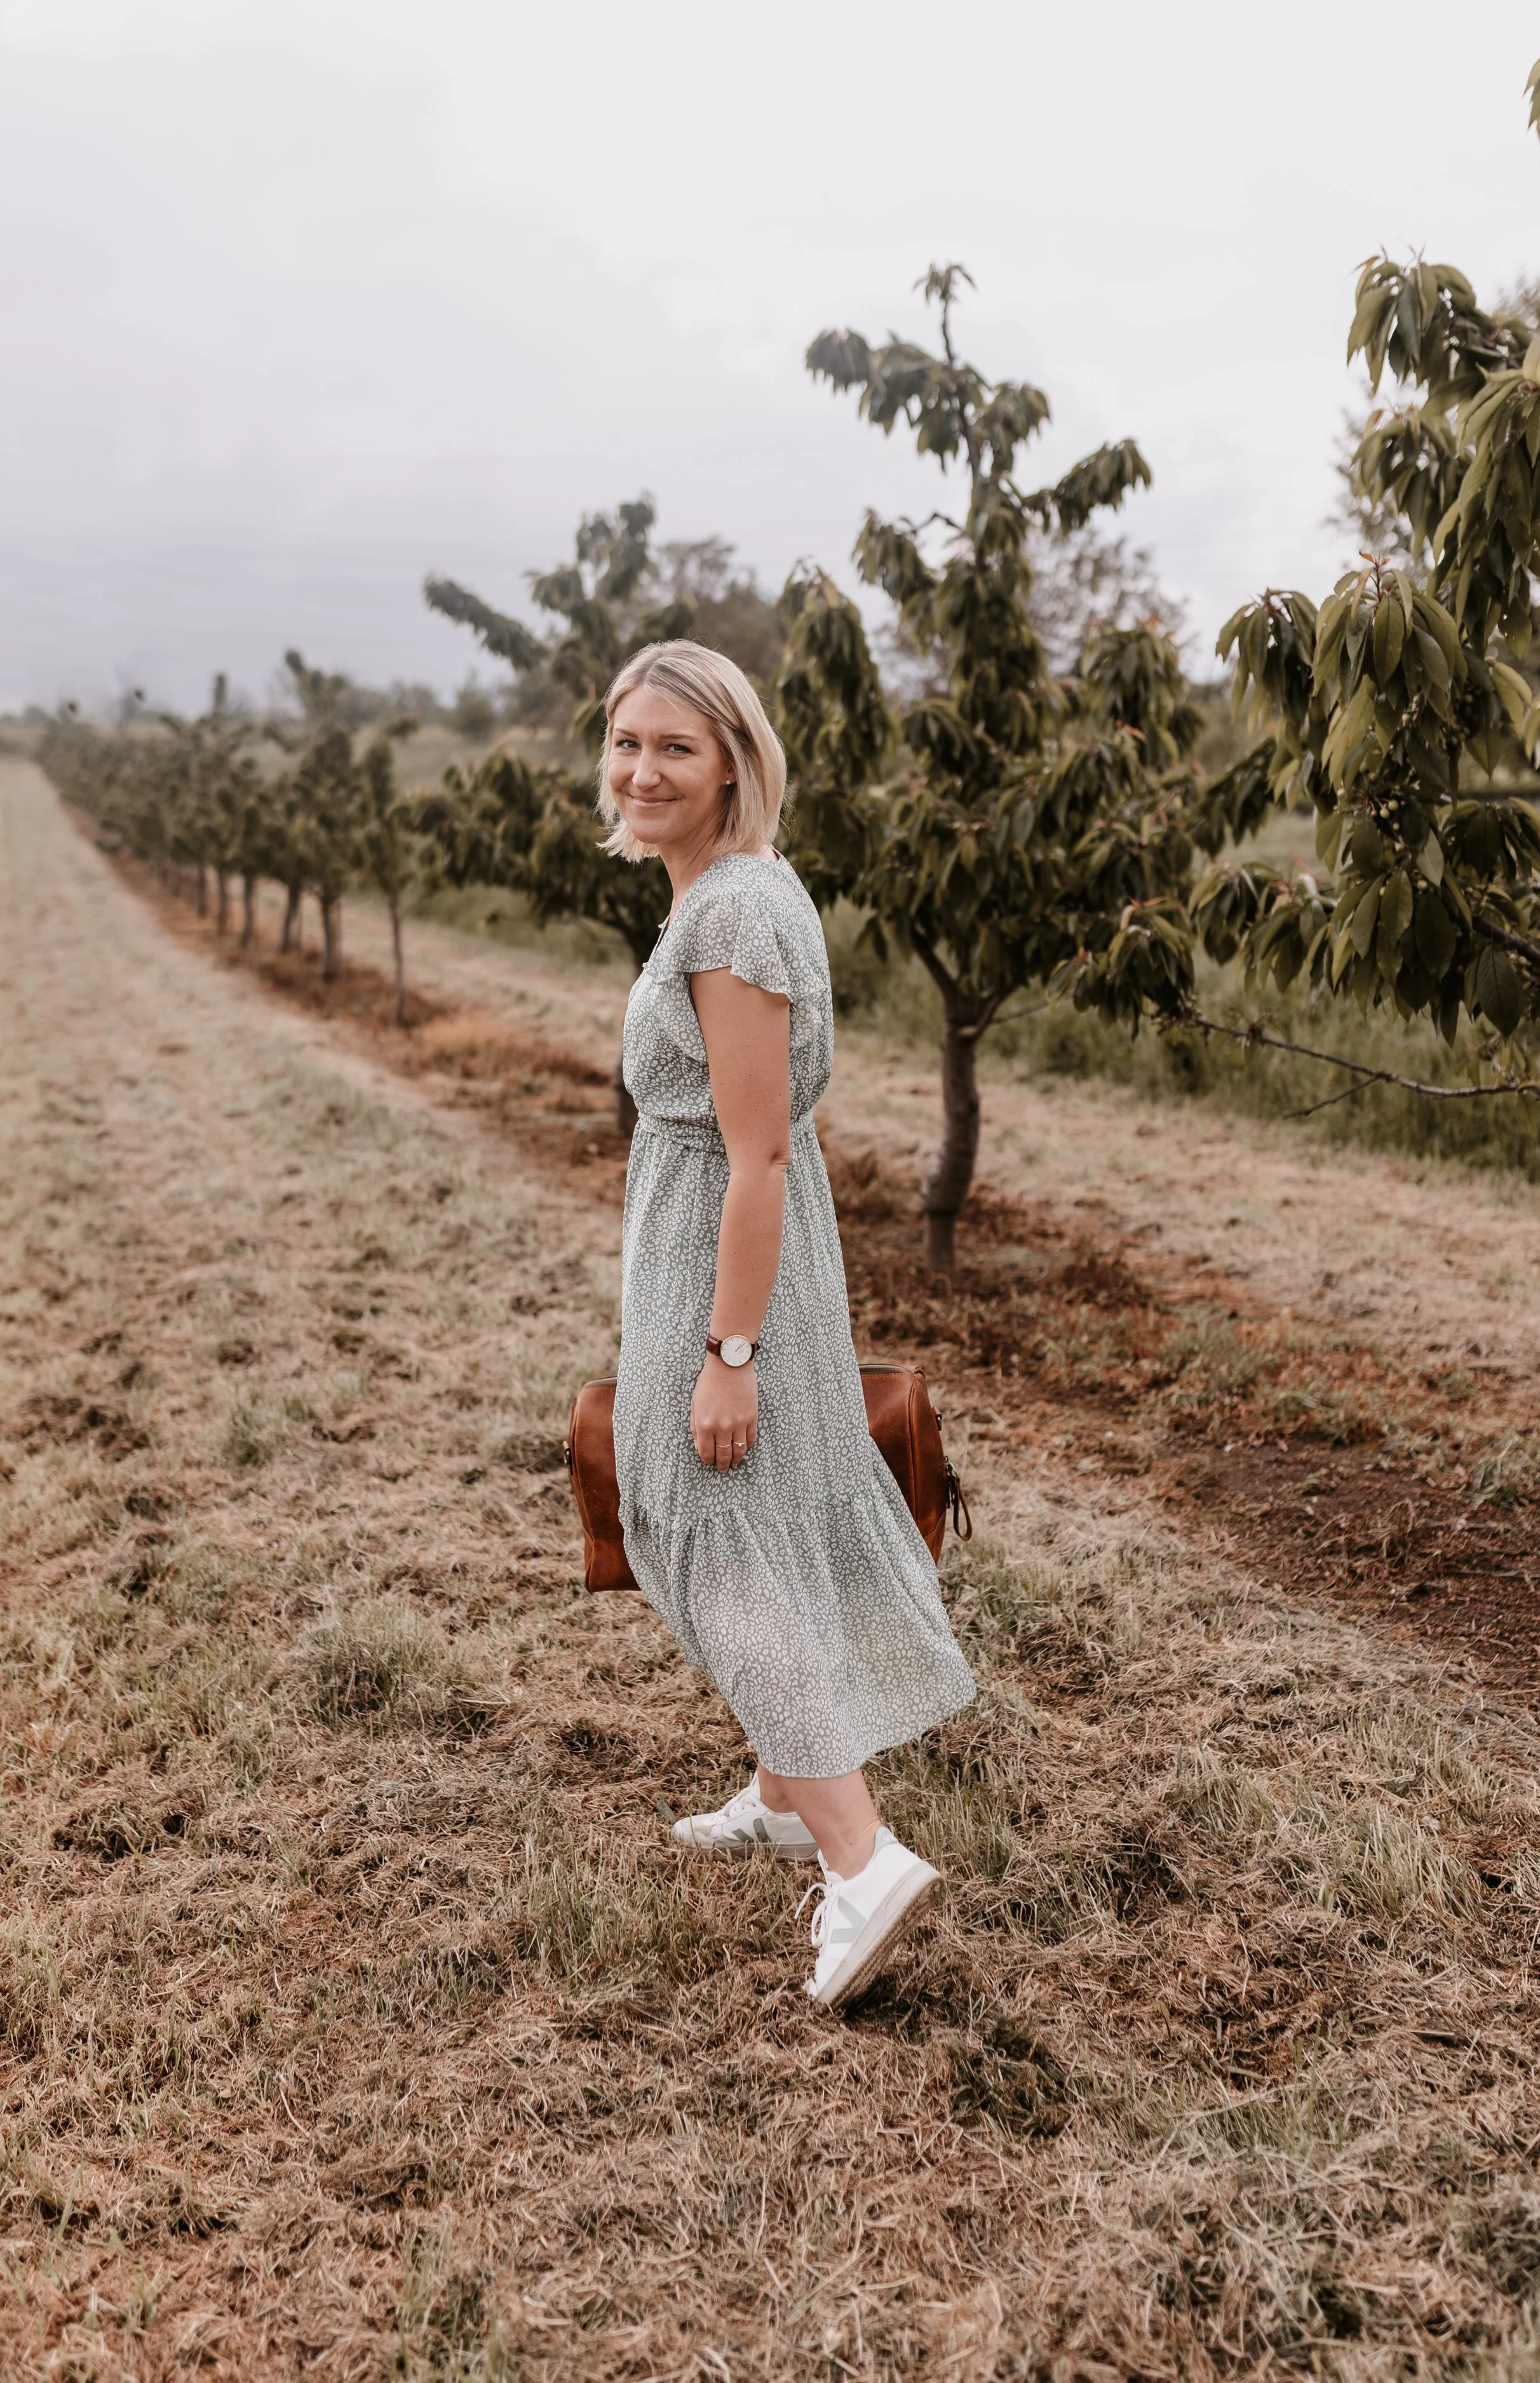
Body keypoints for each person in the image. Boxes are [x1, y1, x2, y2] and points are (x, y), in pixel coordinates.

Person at [605, 639, 976, 2009]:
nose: (643, 771)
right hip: (730, 1242)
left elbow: (754, 1156)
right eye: (628, 742)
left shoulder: (731, 920)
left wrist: (728, 1354)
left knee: (709, 1530)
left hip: (725, 1256)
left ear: (733, 764)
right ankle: (778, 1792)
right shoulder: (737, 889)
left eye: (676, 748)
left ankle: (860, 1859)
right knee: (762, 1511)